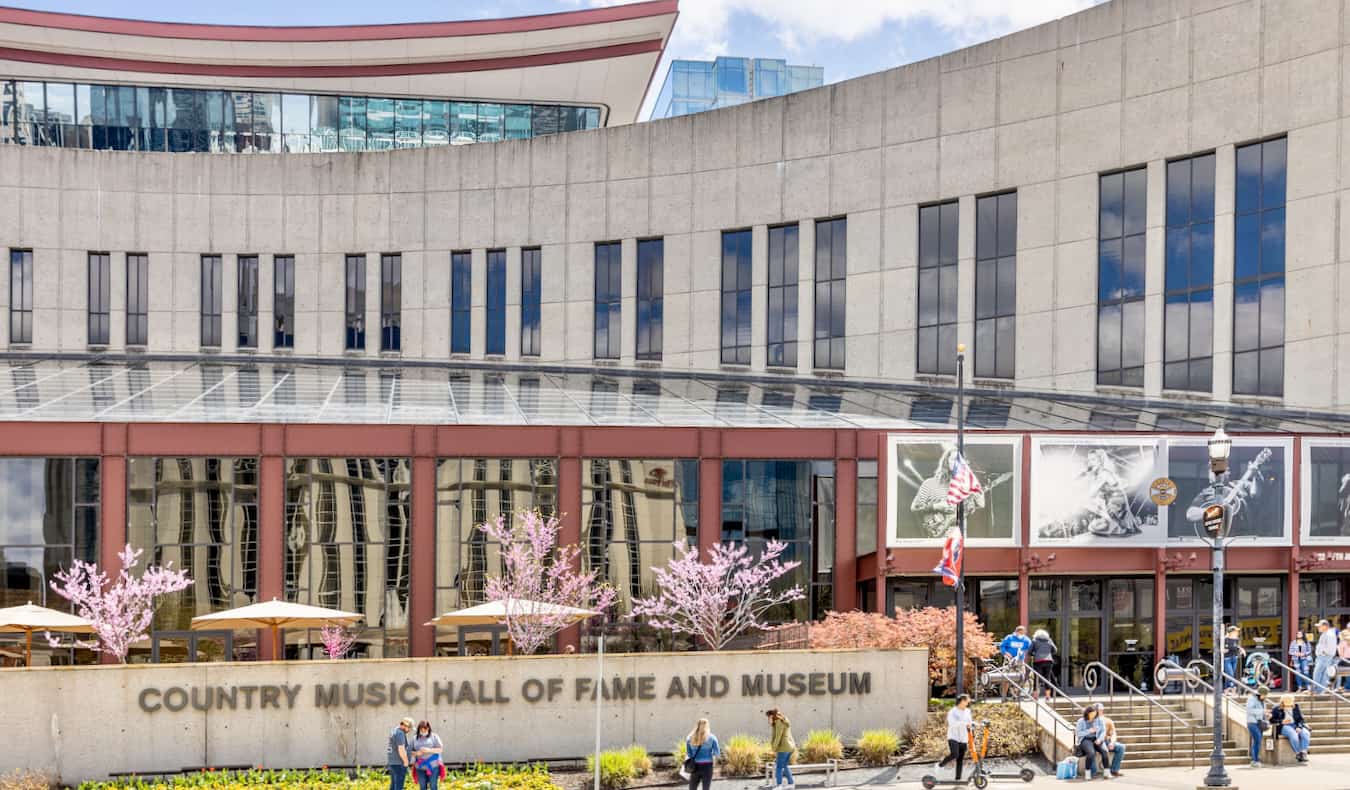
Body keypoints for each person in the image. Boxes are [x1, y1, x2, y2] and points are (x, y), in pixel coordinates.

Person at [937, 694, 973, 782]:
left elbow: (969, 723)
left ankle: (958, 779)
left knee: (960, 759)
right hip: (953, 737)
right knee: (955, 754)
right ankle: (941, 765)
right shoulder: (952, 712)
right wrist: (964, 723)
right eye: (967, 700)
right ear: (962, 701)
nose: (968, 702)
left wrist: (971, 731)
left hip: (964, 738)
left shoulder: (968, 711)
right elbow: (952, 724)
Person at [1268, 694, 1310, 762]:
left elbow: (1300, 719)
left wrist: (1299, 727)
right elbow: (1271, 720)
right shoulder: (1276, 708)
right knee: (1293, 734)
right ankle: (1298, 753)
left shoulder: (1296, 706)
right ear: (1282, 702)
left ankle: (1303, 752)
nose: (1289, 706)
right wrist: (1282, 721)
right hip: (1284, 726)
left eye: (1290, 704)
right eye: (1287, 704)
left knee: (1305, 733)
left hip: (1295, 725)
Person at [685, 718, 721, 790]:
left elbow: (689, 754)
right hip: (707, 766)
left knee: (692, 788)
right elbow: (717, 753)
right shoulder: (712, 738)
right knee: (706, 788)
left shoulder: (690, 738)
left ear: (697, 726)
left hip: (694, 767)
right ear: (707, 726)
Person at [1093, 703, 1125, 778]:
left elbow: (1113, 733)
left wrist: (1112, 742)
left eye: (1100, 710)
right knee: (1091, 750)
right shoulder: (1091, 720)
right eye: (1097, 710)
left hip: (1106, 741)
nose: (1099, 711)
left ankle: (1114, 770)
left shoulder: (1108, 720)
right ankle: (1093, 772)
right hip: (1095, 741)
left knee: (1121, 747)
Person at [766, 709, 795, 789]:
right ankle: (791, 783)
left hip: (784, 747)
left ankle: (779, 786)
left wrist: (774, 748)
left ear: (772, 716)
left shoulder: (779, 723)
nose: (768, 720)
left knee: (778, 767)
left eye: (769, 718)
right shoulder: (782, 721)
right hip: (789, 747)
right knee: (784, 765)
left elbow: (778, 737)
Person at [1074, 707, 1106, 780]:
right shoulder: (1081, 721)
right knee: (1091, 753)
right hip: (1085, 739)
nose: (1093, 715)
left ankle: (1107, 772)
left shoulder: (1098, 720)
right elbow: (1078, 733)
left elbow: (1103, 731)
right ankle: (1087, 773)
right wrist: (1089, 731)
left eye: (1095, 714)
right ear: (1087, 713)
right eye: (1091, 714)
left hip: (1096, 739)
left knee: (1104, 751)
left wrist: (1100, 739)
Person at [411, 720, 444, 790]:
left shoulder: (434, 736)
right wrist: (417, 753)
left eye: (425, 729)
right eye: (421, 729)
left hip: (433, 766)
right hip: (420, 767)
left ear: (428, 728)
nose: (423, 731)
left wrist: (429, 750)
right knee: (422, 787)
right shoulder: (414, 738)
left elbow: (440, 749)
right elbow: (409, 751)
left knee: (433, 786)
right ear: (419, 729)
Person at [1029, 629, 1058, 700]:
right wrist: (1049, 653)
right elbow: (1055, 650)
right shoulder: (1049, 640)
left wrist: (1034, 654)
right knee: (1047, 678)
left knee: (1037, 678)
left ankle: (1035, 696)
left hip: (1038, 661)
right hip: (1048, 661)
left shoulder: (1034, 641)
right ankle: (1048, 696)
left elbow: (1029, 651)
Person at [386, 716, 413, 790]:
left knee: (393, 786)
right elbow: (401, 749)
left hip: (393, 763)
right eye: (409, 728)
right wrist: (406, 762)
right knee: (398, 786)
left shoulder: (394, 730)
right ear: (406, 726)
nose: (409, 730)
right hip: (399, 763)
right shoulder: (400, 733)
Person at [1245, 686, 1268, 768]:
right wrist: (1262, 711)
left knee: (1257, 741)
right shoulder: (1251, 699)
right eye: (1264, 695)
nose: (1265, 697)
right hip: (1252, 722)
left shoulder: (1262, 701)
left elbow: (1263, 712)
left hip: (1259, 722)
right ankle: (1255, 760)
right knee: (1257, 739)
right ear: (1259, 694)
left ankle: (1255, 759)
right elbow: (1249, 710)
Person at [1314, 619, 1338, 693]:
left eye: (1320, 626)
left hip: (1324, 657)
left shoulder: (1329, 634)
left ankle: (1317, 690)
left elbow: (1330, 649)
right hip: (1323, 657)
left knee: (1318, 673)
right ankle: (1319, 690)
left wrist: (1323, 653)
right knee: (1322, 674)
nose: (1318, 628)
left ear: (1325, 626)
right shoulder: (1326, 633)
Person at [1223, 626, 1245, 692]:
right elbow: (1224, 648)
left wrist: (1241, 650)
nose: (1237, 632)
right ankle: (1233, 687)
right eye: (1236, 631)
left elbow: (1237, 647)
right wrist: (1224, 650)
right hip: (1227, 658)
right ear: (1231, 632)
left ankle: (1226, 689)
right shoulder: (1225, 639)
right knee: (1230, 674)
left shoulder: (1236, 639)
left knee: (1229, 675)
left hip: (1234, 658)